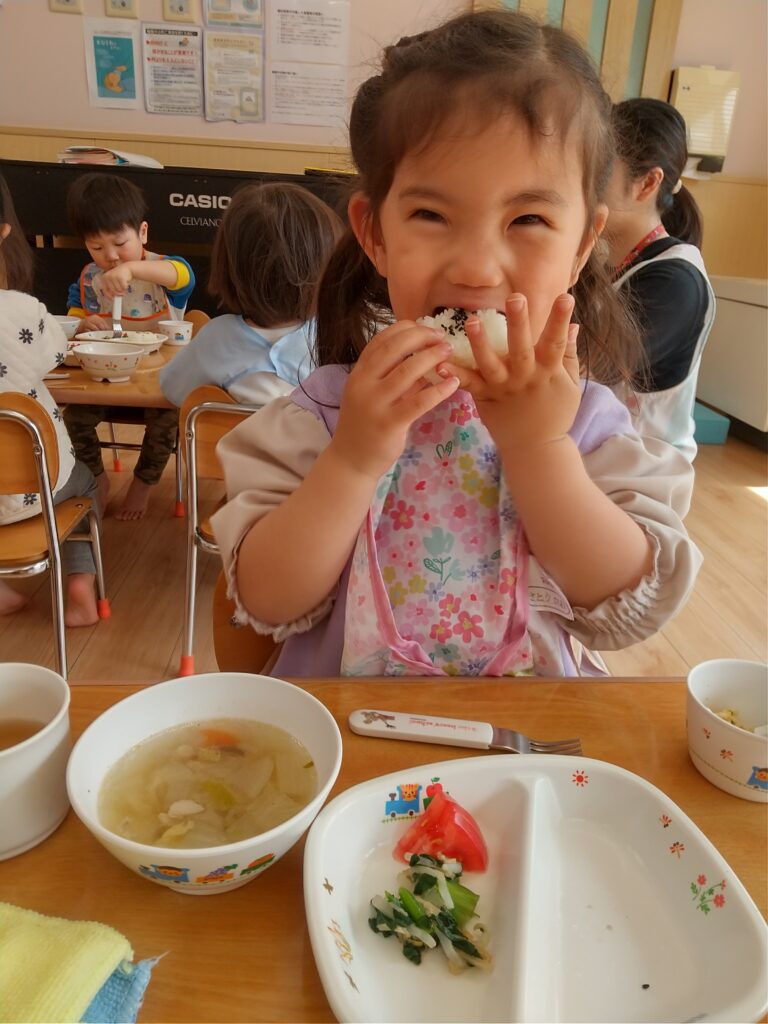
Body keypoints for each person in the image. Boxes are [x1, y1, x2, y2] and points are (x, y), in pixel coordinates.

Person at [210, 10, 702, 678]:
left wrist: (540, 448)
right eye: (431, 214)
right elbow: (265, 600)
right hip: (345, 728)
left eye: (528, 218)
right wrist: (351, 460)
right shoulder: (322, 415)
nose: (475, 268)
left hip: (521, 734)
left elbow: (626, 605)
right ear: (375, 234)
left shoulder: (588, 423)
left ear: (583, 244)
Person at [0, 172, 102, 626]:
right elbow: (54, 354)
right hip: (33, 488)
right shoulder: (22, 310)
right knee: (86, 484)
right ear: (5, 230)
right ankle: (79, 589)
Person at [64, 173, 196, 520]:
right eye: (96, 248)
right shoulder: (89, 277)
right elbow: (75, 315)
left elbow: (184, 275)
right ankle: (96, 477)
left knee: (167, 421)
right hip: (106, 382)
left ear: (143, 232)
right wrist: (83, 323)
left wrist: (134, 269)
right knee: (72, 419)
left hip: (158, 384)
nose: (110, 256)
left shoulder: (162, 269)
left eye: (120, 243)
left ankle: (143, 483)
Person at [160, 182, 343, 408]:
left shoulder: (216, 339)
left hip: (231, 433)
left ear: (229, 268)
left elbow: (171, 388)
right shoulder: (338, 338)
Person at [604, 98, 715, 462]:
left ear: (648, 183)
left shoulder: (676, 281)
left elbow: (586, 369)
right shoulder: (613, 265)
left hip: (644, 476)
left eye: (599, 171)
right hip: (604, 462)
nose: (582, 185)